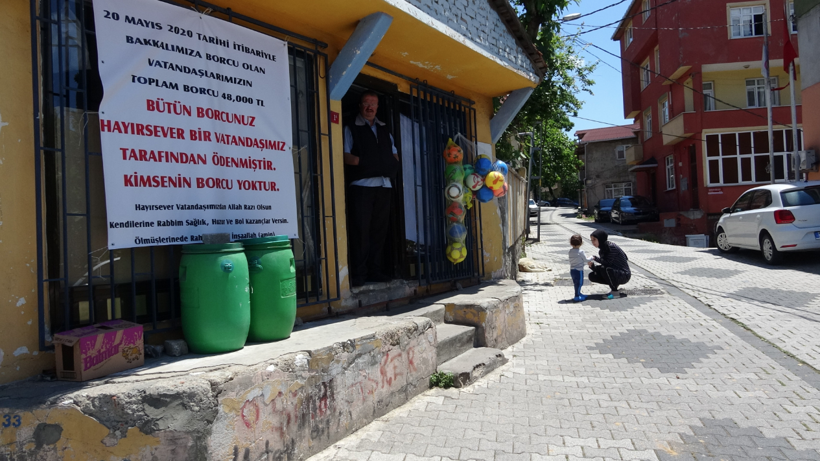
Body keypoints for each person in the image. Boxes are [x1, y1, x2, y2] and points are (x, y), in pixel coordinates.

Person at [343, 91, 400, 287]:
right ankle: (359, 274)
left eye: (373, 104)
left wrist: (383, 165)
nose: (370, 107)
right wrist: (367, 163)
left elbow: (394, 156)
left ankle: (375, 271)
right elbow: (345, 155)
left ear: (377, 107)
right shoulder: (351, 127)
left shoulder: (384, 129)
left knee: (379, 231)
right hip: (362, 187)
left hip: (384, 186)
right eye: (366, 103)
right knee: (360, 231)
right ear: (360, 105)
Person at [587, 229, 631, 299]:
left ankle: (615, 293)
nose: (592, 242)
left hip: (624, 274)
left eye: (594, 239)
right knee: (592, 276)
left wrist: (595, 258)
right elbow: (604, 265)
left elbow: (607, 263)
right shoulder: (602, 250)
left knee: (606, 269)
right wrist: (593, 267)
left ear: (600, 239)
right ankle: (614, 287)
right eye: (591, 240)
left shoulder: (611, 247)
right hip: (615, 272)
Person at [568, 234, 592, 302]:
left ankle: (578, 293)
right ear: (581, 243)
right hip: (579, 270)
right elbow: (586, 260)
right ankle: (577, 296)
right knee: (579, 283)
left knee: (576, 283)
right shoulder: (581, 252)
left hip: (572, 270)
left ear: (571, 243)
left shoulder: (570, 251)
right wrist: (592, 257)